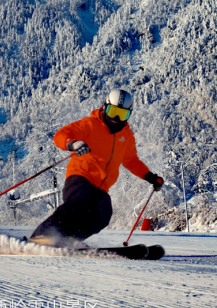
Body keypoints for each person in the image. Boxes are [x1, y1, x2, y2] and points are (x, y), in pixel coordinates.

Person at [29, 89, 164, 247]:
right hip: (80, 176)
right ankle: (40, 236)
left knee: (103, 213)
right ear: (105, 107)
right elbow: (61, 134)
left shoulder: (126, 136)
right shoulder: (90, 125)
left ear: (129, 115)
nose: (115, 118)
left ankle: (71, 239)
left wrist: (150, 177)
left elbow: (131, 161)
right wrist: (72, 143)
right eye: (113, 112)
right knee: (78, 203)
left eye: (122, 114)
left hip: (101, 187)